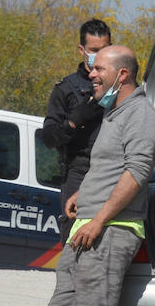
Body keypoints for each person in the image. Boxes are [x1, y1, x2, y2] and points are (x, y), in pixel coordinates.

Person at [0, 44, 155, 306]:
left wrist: (99, 219)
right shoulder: (113, 115)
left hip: (111, 231)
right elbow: (104, 167)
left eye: (99, 68)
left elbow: (136, 173)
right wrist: (80, 197)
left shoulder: (141, 116)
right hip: (85, 227)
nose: (92, 74)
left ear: (122, 74)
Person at [41, 19, 112, 243]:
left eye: (105, 50)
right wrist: (73, 121)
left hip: (112, 169)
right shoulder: (66, 88)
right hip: (78, 170)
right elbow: (49, 138)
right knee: (74, 233)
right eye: (94, 51)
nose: (99, 56)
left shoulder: (121, 84)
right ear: (82, 50)